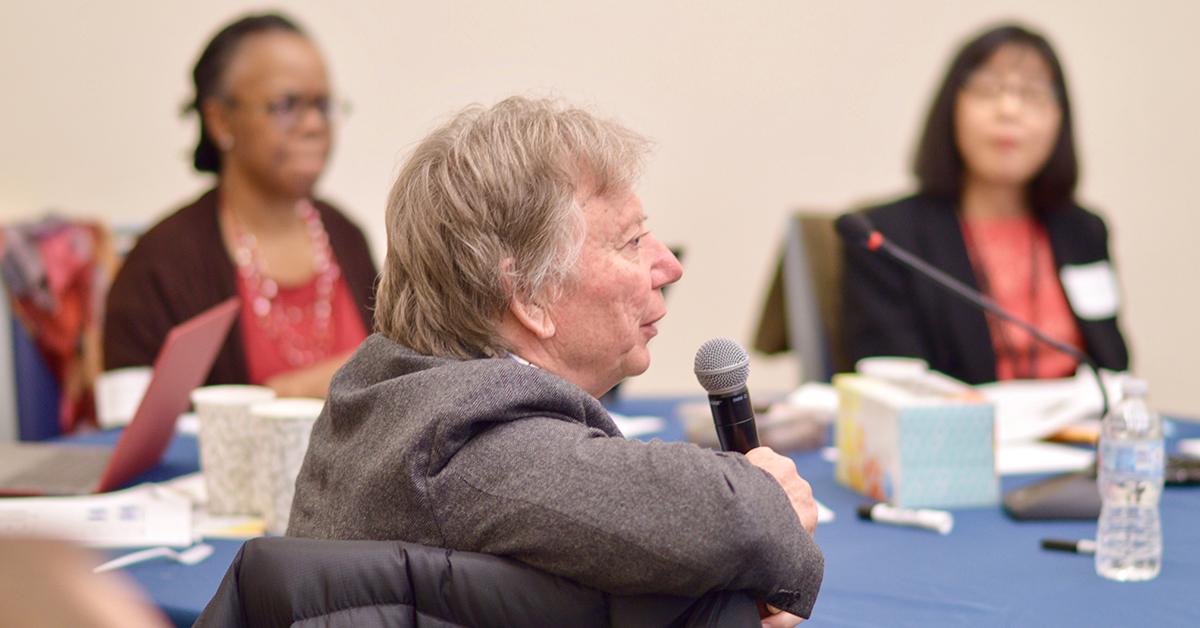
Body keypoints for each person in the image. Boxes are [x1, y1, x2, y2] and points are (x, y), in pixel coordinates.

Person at [287, 97, 823, 623]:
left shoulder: (389, 383)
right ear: (529, 296)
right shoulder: (462, 440)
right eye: (632, 242)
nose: (667, 266)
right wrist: (766, 498)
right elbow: (721, 519)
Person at [104, 13, 376, 398]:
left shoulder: (347, 237)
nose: (315, 124)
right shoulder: (159, 264)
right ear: (220, 122)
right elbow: (128, 432)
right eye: (287, 105)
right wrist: (288, 394)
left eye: (323, 104)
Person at [841, 23, 1130, 384]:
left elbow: (1115, 366)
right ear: (952, 108)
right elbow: (890, 384)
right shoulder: (886, 236)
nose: (1009, 109)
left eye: (1033, 93)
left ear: (1060, 119)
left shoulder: (1084, 230)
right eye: (987, 89)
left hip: (1079, 436)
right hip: (956, 436)